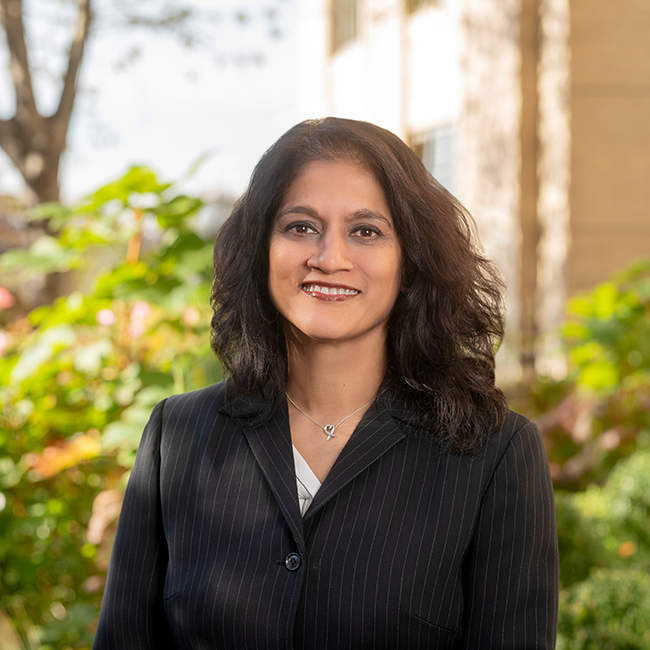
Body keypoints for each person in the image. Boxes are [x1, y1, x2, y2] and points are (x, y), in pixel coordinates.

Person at [93, 117, 558, 649]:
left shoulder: (495, 452)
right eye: (300, 227)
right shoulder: (175, 436)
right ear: (261, 249)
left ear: (411, 259)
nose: (329, 258)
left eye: (366, 231)